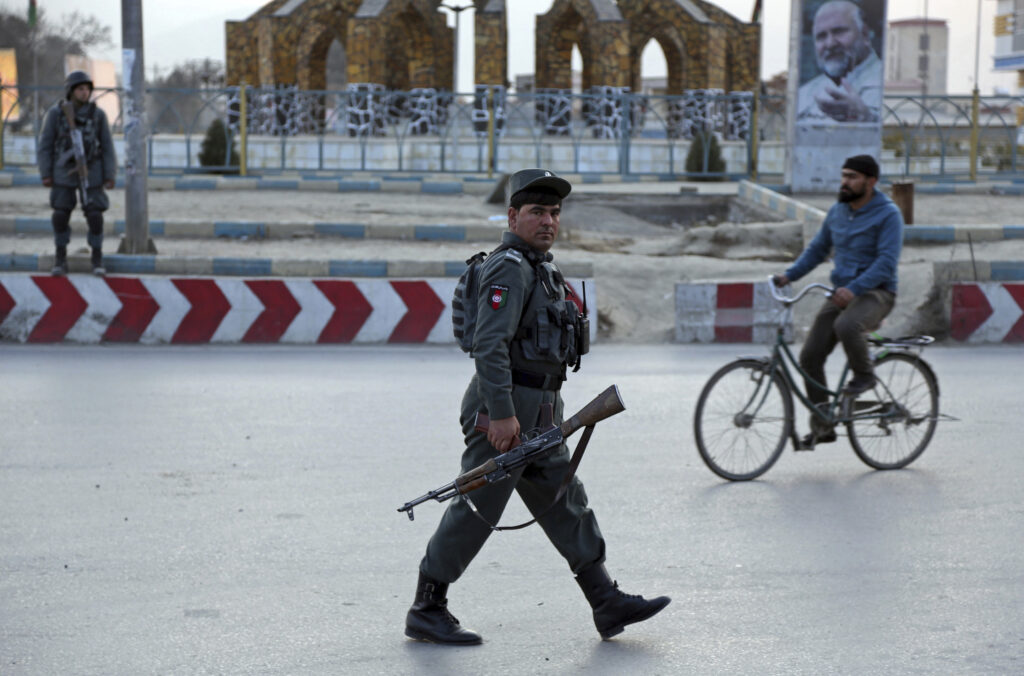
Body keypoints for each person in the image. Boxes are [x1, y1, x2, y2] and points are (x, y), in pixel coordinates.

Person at [405, 168, 670, 645]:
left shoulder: (540, 266)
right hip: (504, 403)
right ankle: (427, 606)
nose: (548, 220)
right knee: (478, 503)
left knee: (564, 498)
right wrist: (504, 413)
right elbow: (489, 346)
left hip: (542, 404)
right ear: (513, 215)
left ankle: (605, 601)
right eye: (537, 211)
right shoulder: (508, 266)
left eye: (554, 212)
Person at [773, 155, 904, 448]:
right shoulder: (838, 212)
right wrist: (788, 275)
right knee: (809, 356)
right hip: (843, 292)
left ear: (870, 182)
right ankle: (823, 427)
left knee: (847, 325)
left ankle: (865, 376)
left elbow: (886, 263)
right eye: (844, 176)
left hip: (877, 293)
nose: (845, 182)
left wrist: (855, 288)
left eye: (853, 177)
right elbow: (818, 249)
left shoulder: (888, 215)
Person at [37, 70, 116, 276]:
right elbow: (45, 145)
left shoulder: (97, 115)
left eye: (87, 89)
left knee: (95, 214)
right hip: (64, 171)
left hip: (92, 170)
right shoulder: (56, 114)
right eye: (80, 89)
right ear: (71, 91)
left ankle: (97, 257)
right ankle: (60, 257)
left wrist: (109, 174)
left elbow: (107, 146)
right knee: (61, 214)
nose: (85, 93)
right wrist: (46, 173)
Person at [796, 0, 882, 124]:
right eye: (821, 36)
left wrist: (867, 119)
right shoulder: (804, 94)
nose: (830, 44)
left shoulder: (889, 87)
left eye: (839, 31)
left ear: (865, 34)